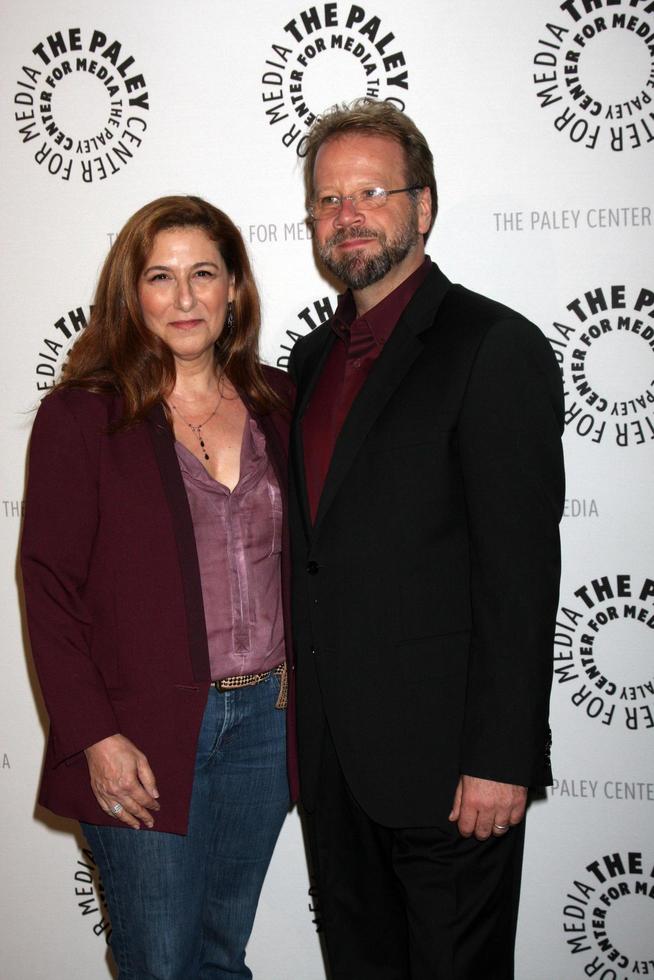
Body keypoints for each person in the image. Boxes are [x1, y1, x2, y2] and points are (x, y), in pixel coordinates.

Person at [288, 99, 565, 979]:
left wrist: (500, 756)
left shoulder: (494, 347)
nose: (349, 215)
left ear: (425, 206)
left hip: (454, 777)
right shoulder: (309, 362)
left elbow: (520, 574)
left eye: (372, 191)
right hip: (336, 768)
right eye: (329, 200)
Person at [21, 195, 297, 980]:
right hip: (139, 735)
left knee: (220, 955)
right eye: (160, 277)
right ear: (131, 294)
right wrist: (95, 738)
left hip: (267, 728)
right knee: (161, 965)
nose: (184, 299)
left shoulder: (282, 403)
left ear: (234, 288)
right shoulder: (83, 417)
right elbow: (47, 586)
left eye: (203, 274)